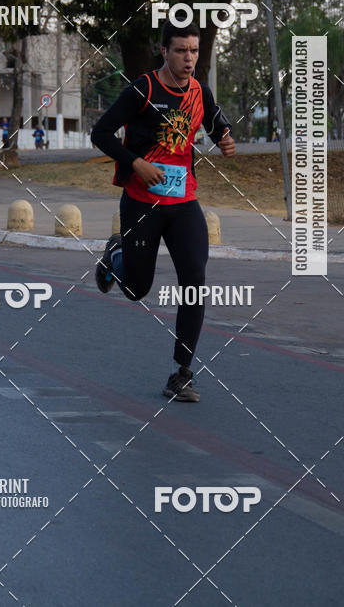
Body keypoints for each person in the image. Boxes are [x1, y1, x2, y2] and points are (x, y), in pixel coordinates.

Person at [91, 20, 235, 402]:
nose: (189, 59)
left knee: (195, 280)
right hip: (142, 203)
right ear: (164, 51)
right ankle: (115, 256)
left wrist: (225, 138)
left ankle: (182, 373)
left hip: (184, 202)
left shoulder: (199, 90)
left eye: (194, 51)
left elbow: (214, 120)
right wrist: (136, 163)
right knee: (138, 290)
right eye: (181, 51)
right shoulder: (143, 89)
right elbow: (100, 133)